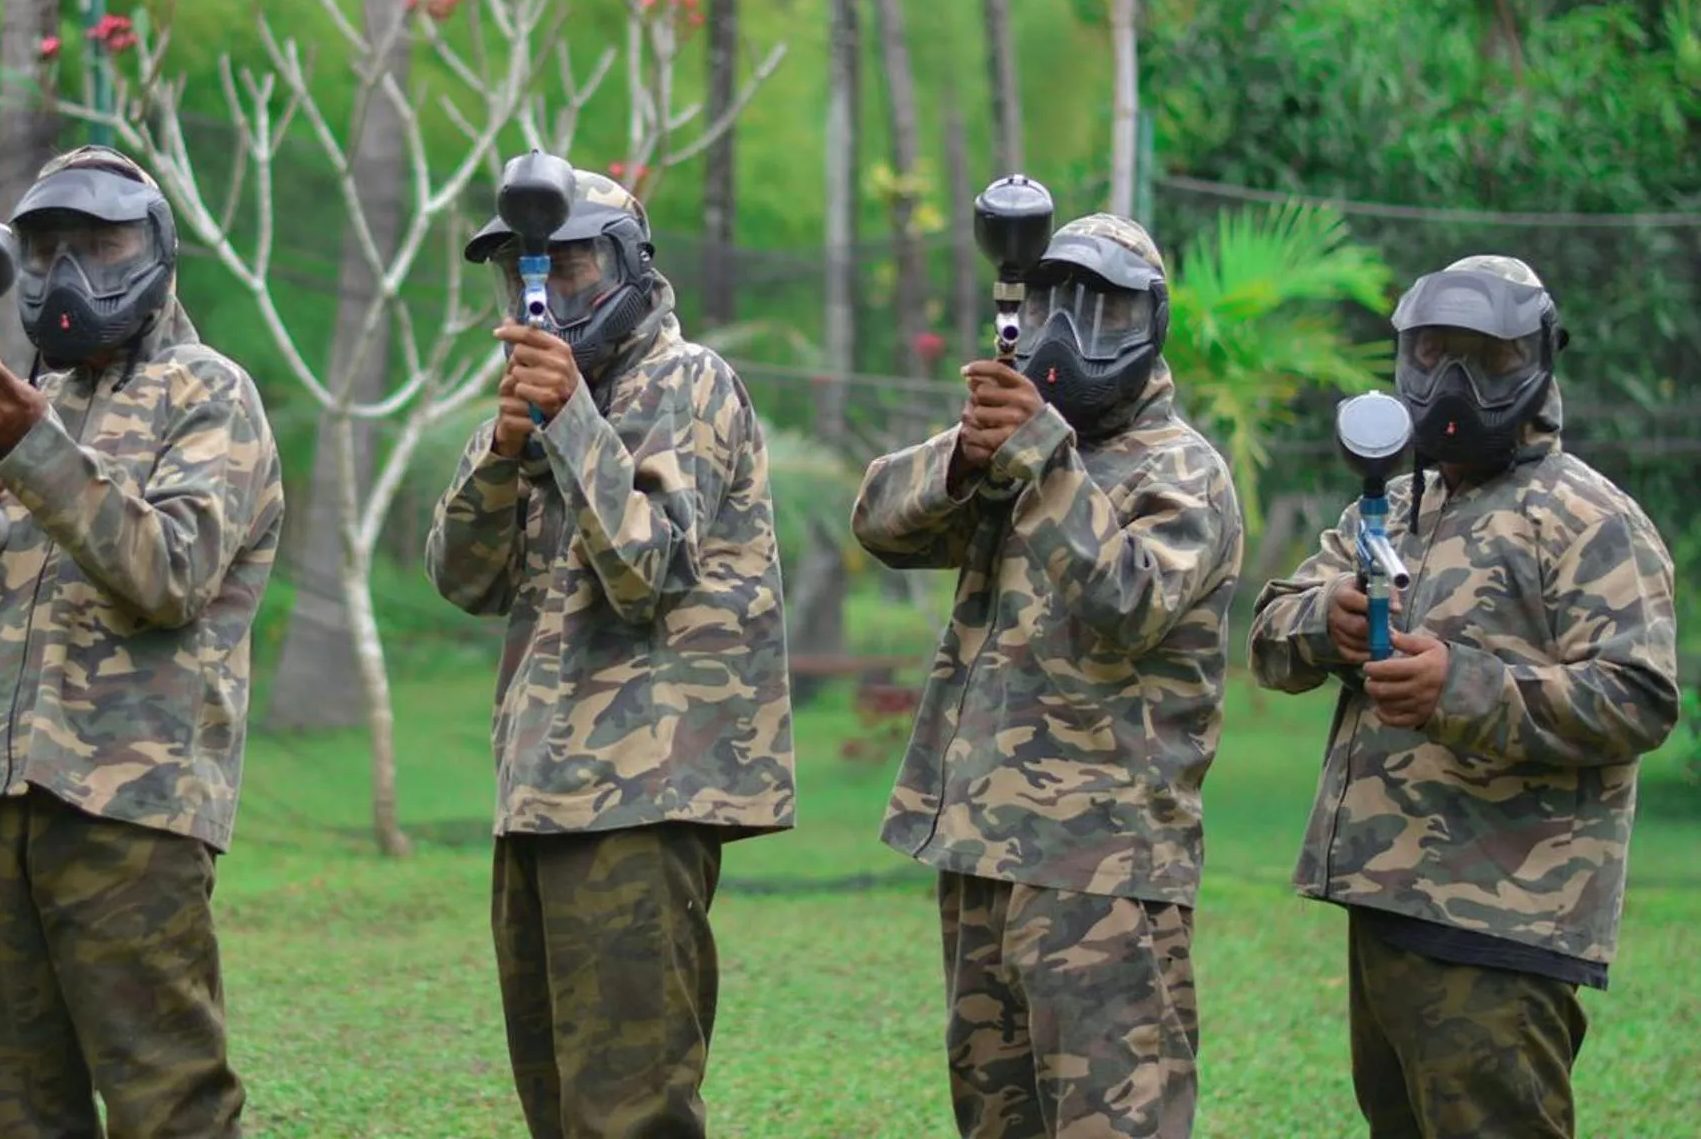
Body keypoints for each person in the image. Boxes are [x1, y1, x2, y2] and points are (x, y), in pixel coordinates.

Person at [0, 145, 282, 1139]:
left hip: (128, 803)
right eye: (47, 252)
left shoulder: (208, 394)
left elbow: (171, 574)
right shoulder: (13, 399)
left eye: (102, 246)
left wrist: (33, 451)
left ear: (157, 251)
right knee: (11, 1112)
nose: (70, 275)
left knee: (166, 1104)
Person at [1249, 254, 1679, 1139]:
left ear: (1535, 365)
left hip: (1504, 918)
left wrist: (1464, 685)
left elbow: (1640, 697)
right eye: (1432, 355)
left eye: (1482, 361)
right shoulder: (1394, 506)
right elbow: (1269, 637)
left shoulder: (1588, 518)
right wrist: (1326, 619)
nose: (1450, 384)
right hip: (1387, 900)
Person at [850, 212, 1242, 1139]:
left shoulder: (1185, 471)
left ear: (1150, 326)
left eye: (1103, 312)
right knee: (997, 1118)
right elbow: (879, 522)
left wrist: (1041, 456)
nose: (1070, 334)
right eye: (1056, 303)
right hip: (985, 845)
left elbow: (1131, 601)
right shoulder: (1015, 451)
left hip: (1105, 864)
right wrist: (965, 455)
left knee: (1114, 1121)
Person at [424, 160, 794, 1139]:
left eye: (573, 270)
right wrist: (504, 452)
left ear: (630, 265)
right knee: (555, 1103)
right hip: (541, 790)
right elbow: (461, 580)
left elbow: (652, 574)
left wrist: (569, 423)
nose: (547, 300)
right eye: (526, 276)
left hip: (645, 793)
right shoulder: (537, 406)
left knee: (630, 1111)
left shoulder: (690, 383)